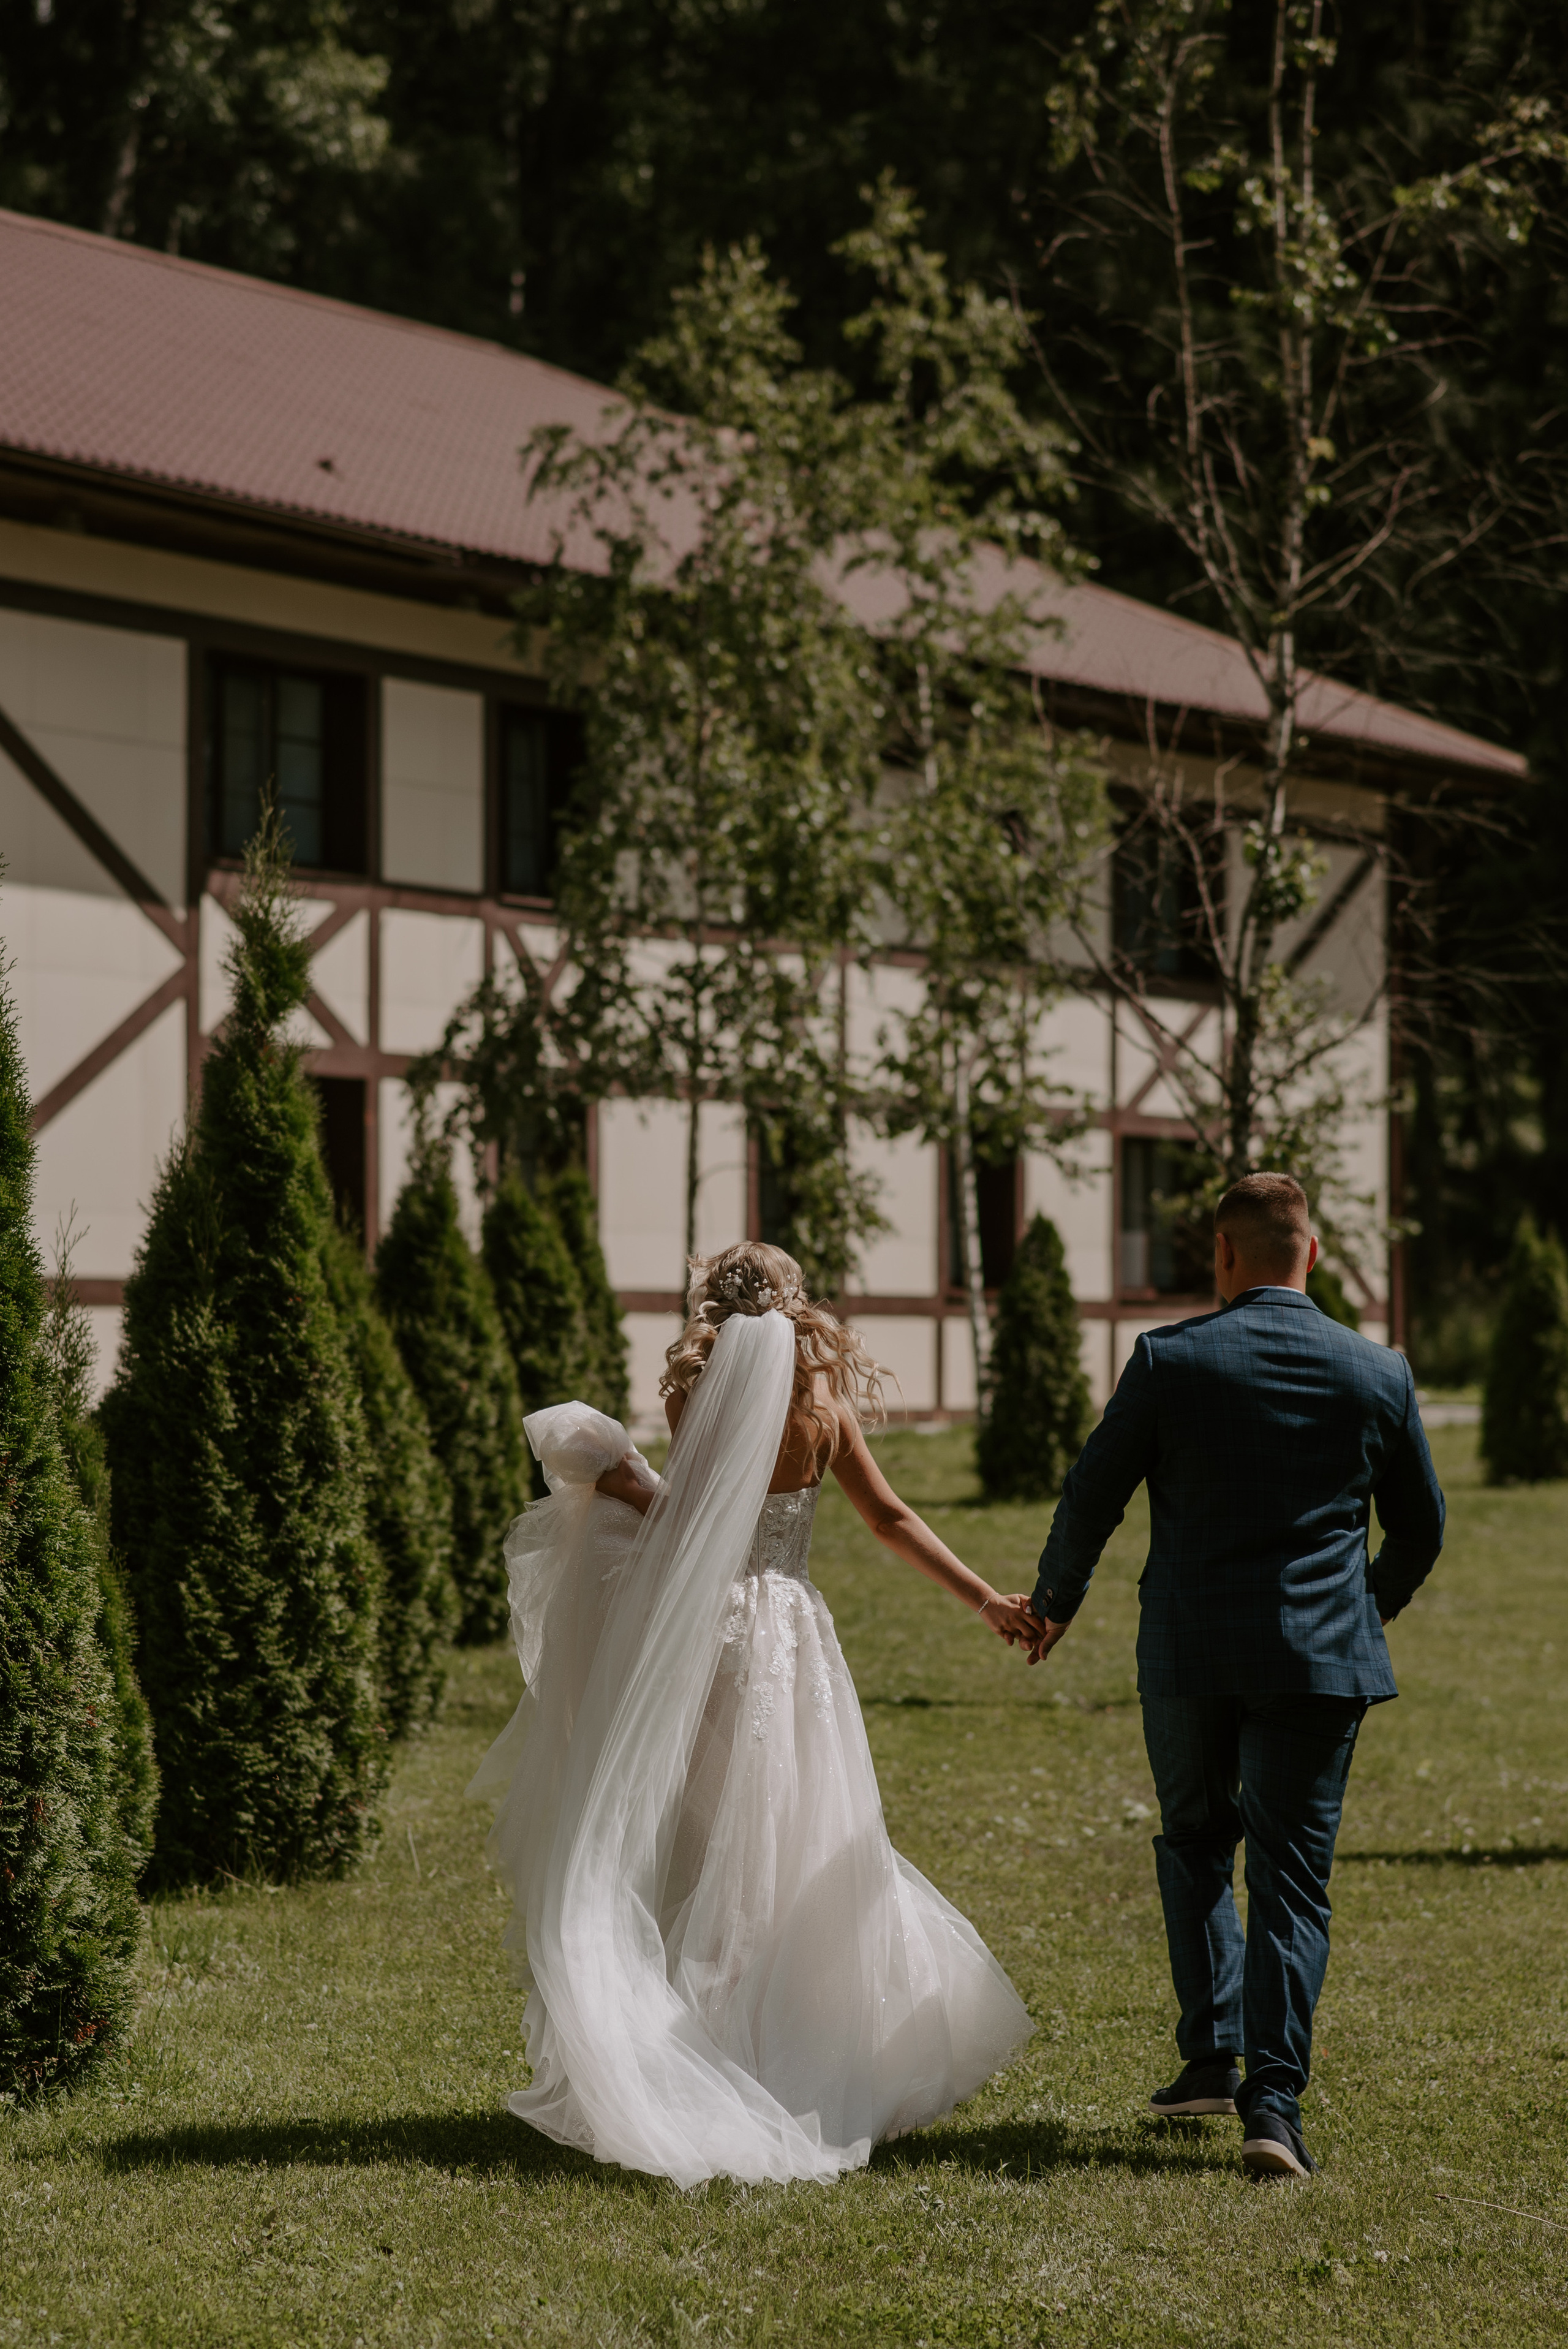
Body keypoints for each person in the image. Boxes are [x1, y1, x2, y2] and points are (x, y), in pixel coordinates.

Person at [470, 1241, 1036, 2187]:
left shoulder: (701, 1397)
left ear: (711, 1310)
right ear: (795, 1302)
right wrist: (987, 1600)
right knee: (801, 1837)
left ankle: (710, 2049)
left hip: (714, 1636)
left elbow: (688, 1528)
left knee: (703, 1842)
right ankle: (804, 2045)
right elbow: (891, 1518)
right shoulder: (822, 1407)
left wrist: (616, 1475)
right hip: (794, 1634)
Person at [999, 1173, 1445, 2181]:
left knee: (1197, 1841)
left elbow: (1093, 1489)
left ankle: (1210, 2051)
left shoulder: (1170, 1358)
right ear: (1314, 1254)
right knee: (1291, 1880)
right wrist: (1363, 1608)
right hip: (1321, 1660)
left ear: (1224, 1254)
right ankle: (1270, 2105)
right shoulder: (1379, 1371)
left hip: (1191, 1652)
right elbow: (1423, 1528)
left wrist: (1054, 1602)